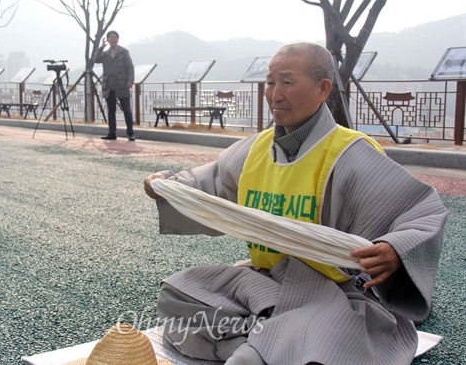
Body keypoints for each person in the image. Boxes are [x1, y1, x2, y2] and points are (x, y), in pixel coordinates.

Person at [143, 43, 447, 365]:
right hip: (263, 281)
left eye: (287, 82)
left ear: (322, 89)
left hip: (331, 292)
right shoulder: (254, 149)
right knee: (177, 294)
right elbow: (207, 185)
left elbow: (419, 210)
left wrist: (395, 249)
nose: (275, 93)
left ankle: (264, 341)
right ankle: (267, 343)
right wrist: (166, 185)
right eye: (270, 82)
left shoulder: (352, 153)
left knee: (332, 327)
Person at [94, 30, 136, 141]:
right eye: (111, 37)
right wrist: (101, 47)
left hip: (122, 84)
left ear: (118, 39)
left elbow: (130, 67)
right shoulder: (105, 53)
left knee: (126, 109)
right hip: (109, 85)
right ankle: (112, 133)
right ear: (108, 40)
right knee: (111, 110)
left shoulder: (124, 52)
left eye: (115, 37)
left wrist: (130, 80)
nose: (113, 39)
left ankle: (130, 133)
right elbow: (96, 59)